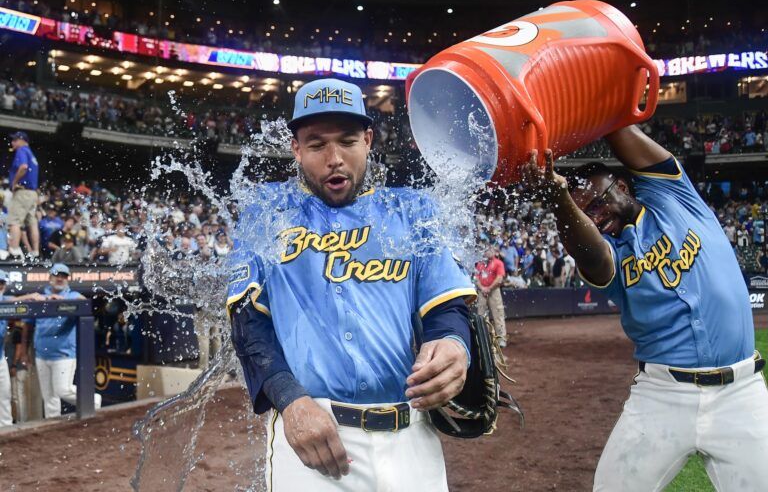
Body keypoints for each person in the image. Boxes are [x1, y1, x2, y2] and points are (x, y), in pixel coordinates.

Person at [226, 78, 476, 491]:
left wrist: (453, 343)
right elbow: (248, 324)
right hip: (314, 436)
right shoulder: (267, 212)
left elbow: (446, 308)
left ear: (369, 139)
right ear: (295, 149)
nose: (334, 159)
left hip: (410, 429)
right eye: (316, 144)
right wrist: (291, 402)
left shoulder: (413, 210)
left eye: (347, 141)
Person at [521, 125, 768, 491]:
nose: (593, 217)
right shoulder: (611, 255)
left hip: (741, 392)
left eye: (595, 204)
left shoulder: (675, 197)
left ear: (621, 186)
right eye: (583, 213)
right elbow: (591, 252)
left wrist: (599, 99)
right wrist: (560, 198)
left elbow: (619, 128)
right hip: (663, 395)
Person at [29, 264, 102, 418]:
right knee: (49, 398)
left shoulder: (72, 296)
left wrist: (61, 302)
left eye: (63, 276)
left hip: (64, 354)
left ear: (68, 279)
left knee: (63, 390)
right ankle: (52, 427)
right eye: (57, 275)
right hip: (41, 354)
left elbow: (86, 304)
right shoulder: (39, 297)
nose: (60, 278)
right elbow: (27, 326)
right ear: (50, 278)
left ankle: (93, 400)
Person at [0, 270, 45, 425]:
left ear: (4, 286)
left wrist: (33, 296)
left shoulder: (6, 298)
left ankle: (5, 428)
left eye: (1, 283)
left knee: (5, 394)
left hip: (0, 360)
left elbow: (13, 300)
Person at [6, 131, 40, 260]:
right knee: (31, 222)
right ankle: (36, 252)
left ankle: (14, 251)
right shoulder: (31, 154)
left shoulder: (22, 151)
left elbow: (23, 167)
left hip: (23, 191)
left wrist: (14, 183)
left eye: (14, 140)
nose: (12, 143)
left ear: (21, 140)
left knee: (14, 221)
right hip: (32, 193)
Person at [474, 246, 508, 347]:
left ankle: (501, 339)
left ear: (494, 252)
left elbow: (499, 278)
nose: (488, 252)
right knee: (481, 316)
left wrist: (488, 288)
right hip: (482, 291)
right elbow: (476, 278)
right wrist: (483, 288)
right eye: (486, 250)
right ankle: (483, 338)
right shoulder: (480, 264)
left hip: (494, 291)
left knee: (498, 315)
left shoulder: (498, 263)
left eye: (490, 250)